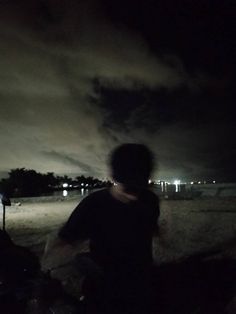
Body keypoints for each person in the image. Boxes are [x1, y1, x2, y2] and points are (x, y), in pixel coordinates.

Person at [58, 143, 160, 313]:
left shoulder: (148, 200)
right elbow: (64, 241)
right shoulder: (148, 200)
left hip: (134, 283)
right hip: (115, 286)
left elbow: (64, 240)